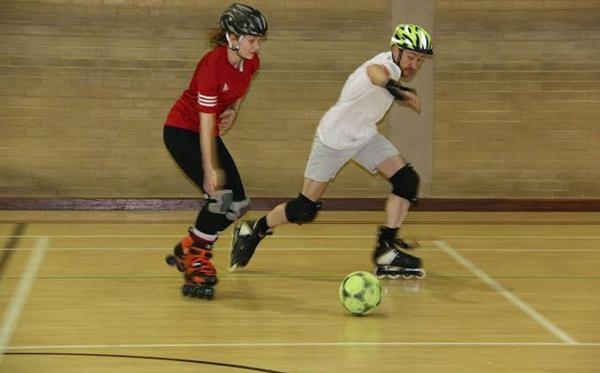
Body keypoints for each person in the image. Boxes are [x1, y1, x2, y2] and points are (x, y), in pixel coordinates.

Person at [230, 24, 433, 279]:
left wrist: (397, 87)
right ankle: (254, 229)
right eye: (411, 57)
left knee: (406, 181)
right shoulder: (384, 66)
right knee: (305, 209)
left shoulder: (394, 67)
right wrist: (396, 88)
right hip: (334, 139)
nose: (414, 65)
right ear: (396, 50)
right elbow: (375, 74)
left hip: (364, 135)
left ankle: (386, 248)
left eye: (420, 60)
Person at [163, 3, 268, 299]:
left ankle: (190, 245)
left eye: (258, 40)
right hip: (182, 131)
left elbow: (240, 89)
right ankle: (197, 258)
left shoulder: (252, 61)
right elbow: (205, 122)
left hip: (205, 131)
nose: (256, 46)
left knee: (239, 204)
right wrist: (210, 168)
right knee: (221, 198)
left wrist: (234, 109)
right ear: (232, 37)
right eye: (251, 40)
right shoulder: (211, 65)